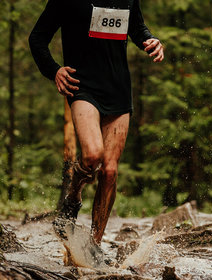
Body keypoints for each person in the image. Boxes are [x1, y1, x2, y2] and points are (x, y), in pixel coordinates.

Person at [29, 0, 164, 264]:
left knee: (110, 171)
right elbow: (37, 38)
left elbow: (136, 29)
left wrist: (151, 40)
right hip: (82, 85)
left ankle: (94, 246)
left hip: (118, 88)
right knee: (92, 155)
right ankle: (73, 198)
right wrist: (54, 70)